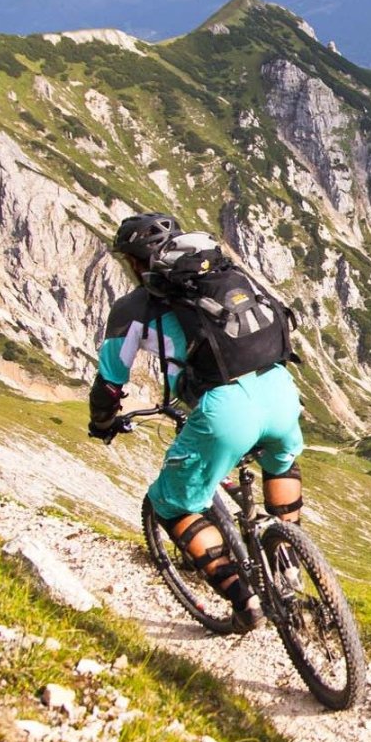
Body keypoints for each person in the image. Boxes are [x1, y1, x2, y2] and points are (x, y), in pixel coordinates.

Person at [89, 212, 305, 635]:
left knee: (173, 503)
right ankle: (291, 563)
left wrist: (103, 421)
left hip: (225, 409)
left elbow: (110, 382)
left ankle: (245, 603)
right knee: (280, 462)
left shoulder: (134, 309)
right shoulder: (224, 277)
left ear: (135, 262)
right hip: (280, 388)